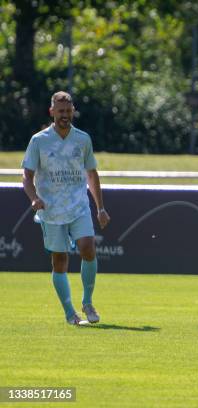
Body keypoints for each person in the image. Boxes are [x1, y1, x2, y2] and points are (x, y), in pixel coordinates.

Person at [22, 91, 110, 325]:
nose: (65, 115)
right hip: (51, 211)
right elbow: (27, 176)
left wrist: (100, 207)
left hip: (79, 206)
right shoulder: (39, 140)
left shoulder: (83, 139)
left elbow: (91, 174)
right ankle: (70, 312)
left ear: (73, 111)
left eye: (68, 111)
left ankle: (88, 302)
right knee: (59, 261)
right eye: (60, 111)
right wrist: (33, 198)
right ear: (52, 112)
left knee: (88, 247)